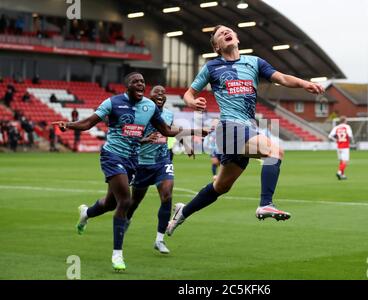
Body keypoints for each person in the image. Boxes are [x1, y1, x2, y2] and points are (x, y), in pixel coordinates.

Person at [165, 25, 324, 236]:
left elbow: (282, 78)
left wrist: (305, 84)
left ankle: (183, 212)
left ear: (237, 38)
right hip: (229, 127)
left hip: (246, 128)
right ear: (217, 47)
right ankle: (265, 203)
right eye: (221, 34)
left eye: (228, 31)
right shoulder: (212, 67)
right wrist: (192, 102)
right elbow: (188, 94)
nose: (226, 34)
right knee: (275, 151)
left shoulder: (254, 62)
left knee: (221, 187)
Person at [52, 72, 206, 272]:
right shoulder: (112, 102)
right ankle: (117, 254)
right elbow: (89, 123)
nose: (140, 84)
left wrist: (193, 132)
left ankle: (86, 213)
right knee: (125, 201)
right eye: (136, 81)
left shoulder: (149, 107)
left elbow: (166, 131)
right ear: (128, 86)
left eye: (142, 81)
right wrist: (69, 124)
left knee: (111, 203)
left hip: (133, 160)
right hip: (112, 156)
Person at [126, 85, 175, 254]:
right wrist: (145, 140)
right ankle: (126, 219)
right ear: (150, 96)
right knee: (134, 201)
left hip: (162, 161)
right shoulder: (141, 113)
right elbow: (129, 138)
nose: (161, 95)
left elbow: (168, 135)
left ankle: (159, 239)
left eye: (163, 93)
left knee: (167, 195)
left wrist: (178, 150)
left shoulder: (169, 114)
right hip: (142, 163)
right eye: (157, 93)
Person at [328, 116, 353, 180]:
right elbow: (350, 136)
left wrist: (336, 140)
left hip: (339, 146)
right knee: (345, 161)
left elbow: (330, 136)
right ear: (345, 121)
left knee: (341, 161)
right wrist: (351, 141)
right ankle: (339, 172)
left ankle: (342, 175)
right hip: (345, 146)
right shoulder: (347, 127)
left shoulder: (336, 127)